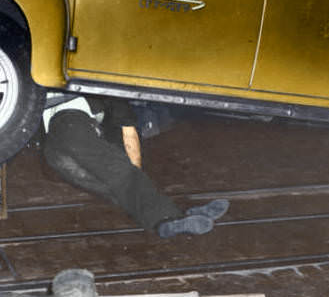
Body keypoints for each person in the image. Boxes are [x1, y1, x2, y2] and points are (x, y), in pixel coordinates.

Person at [42, 94, 229, 238]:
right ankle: (171, 217)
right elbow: (129, 137)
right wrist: (134, 175)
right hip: (69, 126)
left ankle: (177, 218)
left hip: (55, 152)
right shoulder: (107, 92)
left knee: (117, 189)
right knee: (124, 177)